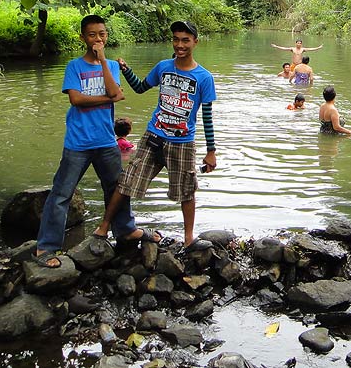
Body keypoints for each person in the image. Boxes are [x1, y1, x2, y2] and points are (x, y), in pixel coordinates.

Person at [91, 20, 217, 248]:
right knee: (127, 182)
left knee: (187, 191)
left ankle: (189, 238)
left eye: (185, 40)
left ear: (195, 42)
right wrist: (126, 70)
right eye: (176, 39)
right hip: (153, 136)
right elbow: (140, 88)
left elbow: (206, 116)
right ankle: (104, 226)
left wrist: (211, 152)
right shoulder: (163, 67)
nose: (180, 45)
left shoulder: (204, 77)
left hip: (183, 143)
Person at [34, 15, 139, 269]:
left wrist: (103, 60)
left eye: (102, 34)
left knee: (117, 189)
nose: (98, 39)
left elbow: (116, 93)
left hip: (105, 141)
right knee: (61, 193)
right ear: (83, 37)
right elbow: (76, 100)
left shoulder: (112, 65)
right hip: (78, 142)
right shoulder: (74, 66)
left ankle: (124, 231)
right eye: (92, 35)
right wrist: (108, 98)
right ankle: (46, 247)